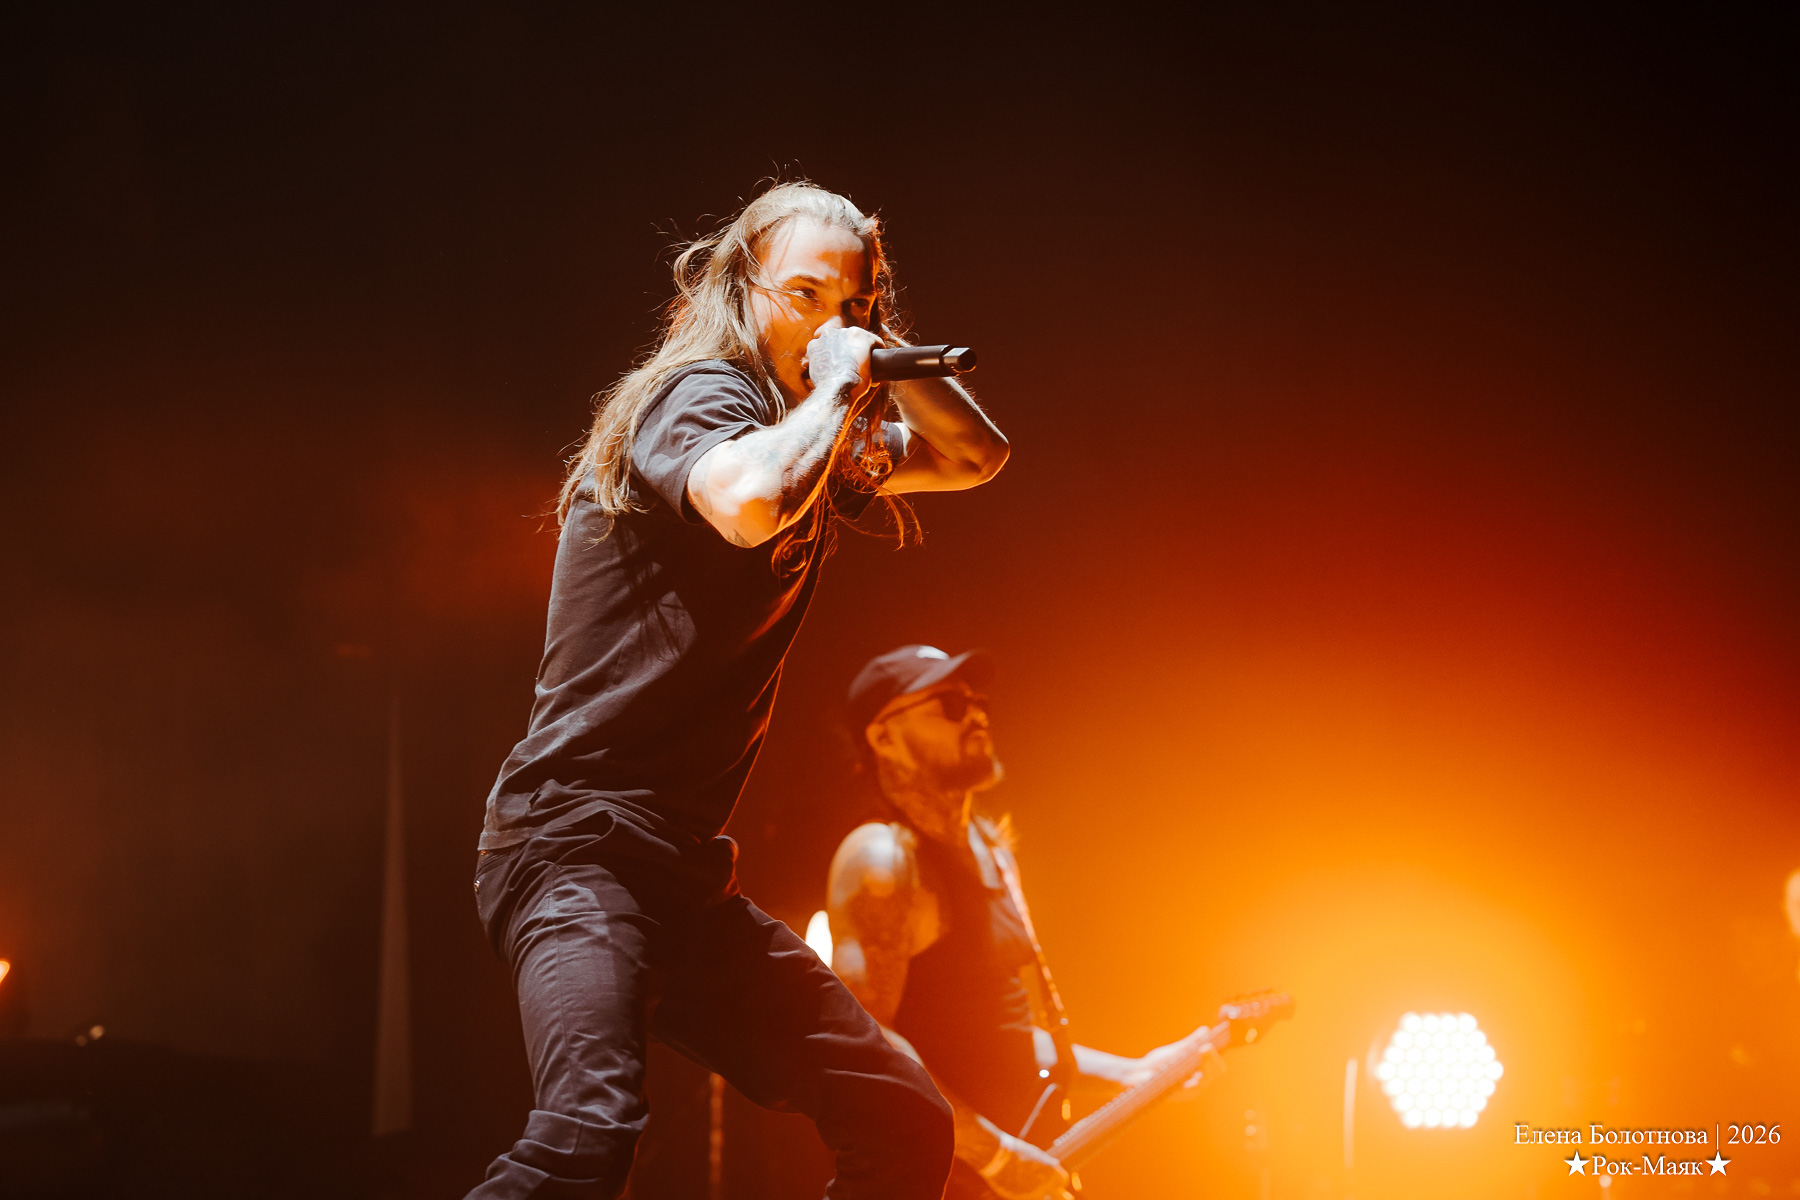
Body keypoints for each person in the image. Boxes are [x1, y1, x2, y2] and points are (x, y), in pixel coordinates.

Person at [469, 184, 1009, 1200]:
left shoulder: (815, 430)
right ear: (739, 291)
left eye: (853, 302)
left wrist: (875, 352)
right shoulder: (699, 398)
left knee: (900, 1117)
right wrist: (840, 383)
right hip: (576, 844)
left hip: (682, 877)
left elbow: (974, 455)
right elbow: (750, 502)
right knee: (588, 1135)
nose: (828, 322)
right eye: (803, 294)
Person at [826, 646, 1202, 1200]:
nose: (977, 715)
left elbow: (1001, 1035)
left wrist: (1131, 1073)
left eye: (977, 701)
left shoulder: (993, 851)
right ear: (884, 738)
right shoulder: (882, 860)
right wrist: (994, 1155)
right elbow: (864, 1039)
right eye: (950, 704)